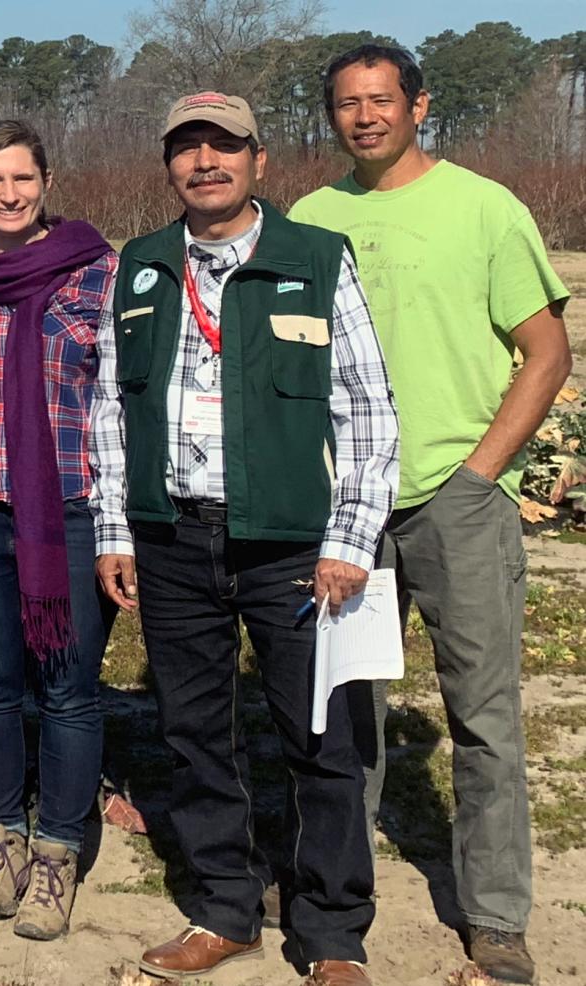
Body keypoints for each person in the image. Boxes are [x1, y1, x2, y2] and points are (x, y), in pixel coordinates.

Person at [92, 92, 398, 986]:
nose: (204, 162)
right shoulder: (142, 266)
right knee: (194, 734)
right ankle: (225, 907)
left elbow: (369, 411)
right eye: (185, 148)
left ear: (257, 159)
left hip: (295, 547)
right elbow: (112, 411)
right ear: (169, 168)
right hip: (173, 539)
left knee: (319, 736)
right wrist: (116, 530)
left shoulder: (315, 259)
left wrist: (348, 540)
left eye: (222, 146)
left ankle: (333, 932)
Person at [290, 45, 573, 985]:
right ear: (328, 116)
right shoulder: (312, 219)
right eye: (345, 104)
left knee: (483, 714)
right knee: (344, 712)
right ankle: (336, 902)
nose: (363, 117)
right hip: (347, 507)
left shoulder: (483, 207)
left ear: (418, 105)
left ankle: (495, 917)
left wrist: (483, 472)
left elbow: (543, 350)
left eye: (380, 100)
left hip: (455, 496)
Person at [0, 120, 116, 941]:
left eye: (21, 178)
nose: (7, 194)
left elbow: (117, 398)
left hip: (66, 512)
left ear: (46, 180)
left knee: (69, 689)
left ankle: (58, 848)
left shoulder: (97, 271)